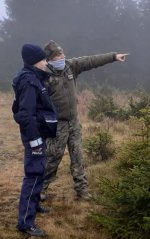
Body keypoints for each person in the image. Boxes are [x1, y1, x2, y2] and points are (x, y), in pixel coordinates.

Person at [42, 40, 128, 200]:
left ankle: (82, 190)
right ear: (50, 59)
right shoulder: (44, 76)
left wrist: (113, 56)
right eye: (58, 55)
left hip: (73, 122)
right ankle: (40, 189)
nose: (62, 56)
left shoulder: (70, 66)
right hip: (57, 124)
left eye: (62, 53)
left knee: (78, 156)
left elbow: (90, 60)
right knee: (53, 157)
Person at [12, 44, 57, 237]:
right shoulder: (29, 81)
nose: (46, 62)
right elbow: (25, 114)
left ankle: (35, 205)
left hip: (39, 133)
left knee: (39, 170)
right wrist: (35, 140)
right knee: (33, 173)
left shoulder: (35, 78)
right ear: (34, 61)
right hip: (34, 136)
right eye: (43, 59)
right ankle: (25, 223)